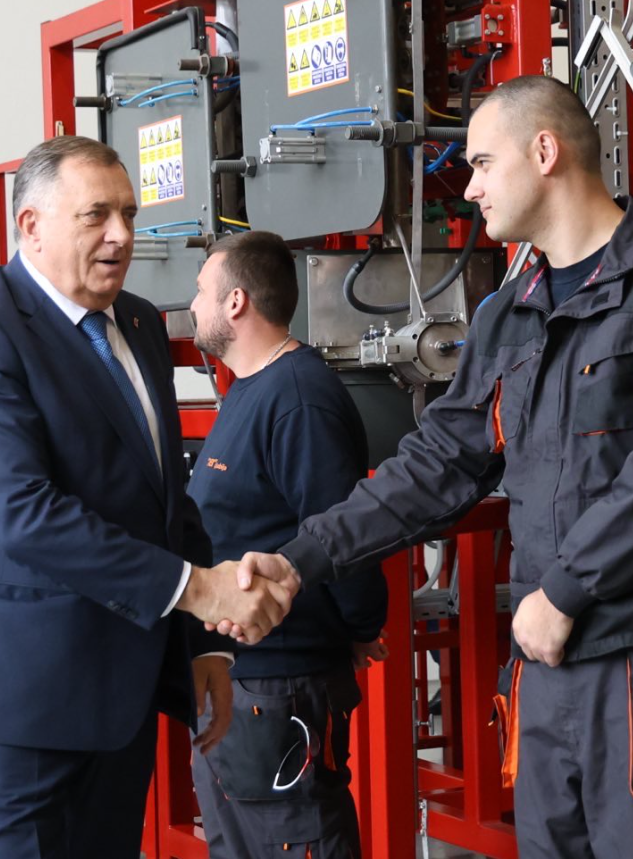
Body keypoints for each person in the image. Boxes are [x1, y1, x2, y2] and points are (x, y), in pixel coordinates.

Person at [227, 76, 633, 858]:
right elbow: (439, 463)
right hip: (548, 668)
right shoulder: (510, 313)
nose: (471, 187)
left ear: (544, 151)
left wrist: (566, 590)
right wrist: (297, 559)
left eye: (482, 163)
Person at [0, 136, 293, 859]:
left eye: (129, 215)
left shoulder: (137, 323)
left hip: (118, 694)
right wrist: (199, 590)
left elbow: (166, 497)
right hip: (10, 703)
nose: (121, 235)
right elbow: (21, 510)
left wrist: (204, 643)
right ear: (31, 225)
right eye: (96, 216)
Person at [185, 231, 388, 858]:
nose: (192, 304)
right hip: (238, 683)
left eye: (201, 291)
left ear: (236, 302)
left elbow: (344, 531)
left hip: (281, 689)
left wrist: (359, 624)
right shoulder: (249, 387)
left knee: (295, 838)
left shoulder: (298, 399)